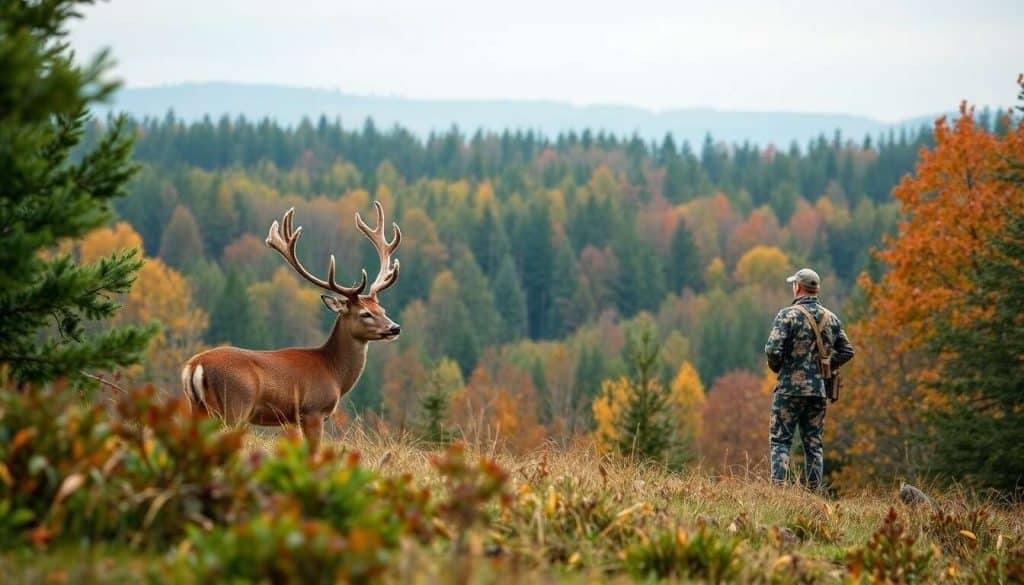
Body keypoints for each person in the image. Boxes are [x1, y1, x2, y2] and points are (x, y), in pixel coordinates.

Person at [764, 268, 854, 490]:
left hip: (789, 390)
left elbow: (772, 350)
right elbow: (847, 351)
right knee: (814, 444)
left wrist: (779, 369)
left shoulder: (787, 315)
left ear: (798, 287)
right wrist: (827, 365)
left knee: (781, 441)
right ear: (816, 290)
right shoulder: (831, 319)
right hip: (818, 392)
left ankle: (778, 492)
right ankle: (813, 495)